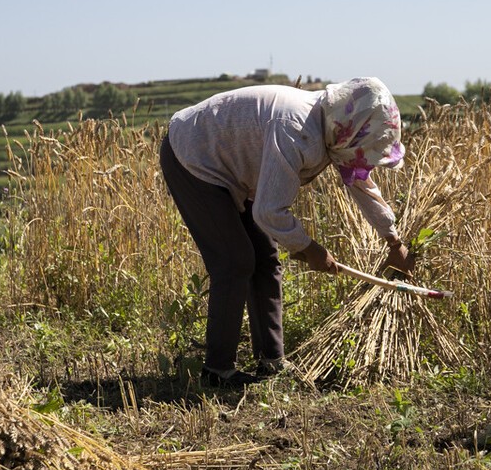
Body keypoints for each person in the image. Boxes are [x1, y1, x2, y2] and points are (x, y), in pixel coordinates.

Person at [159, 76, 414, 388]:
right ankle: (217, 370)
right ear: (351, 129)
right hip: (193, 156)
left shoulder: (336, 130)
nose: (364, 157)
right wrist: (310, 249)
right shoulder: (296, 129)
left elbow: (361, 183)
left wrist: (393, 239)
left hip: (235, 169)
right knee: (235, 261)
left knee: (266, 260)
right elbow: (268, 211)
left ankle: (271, 360)